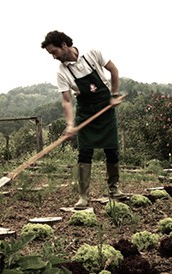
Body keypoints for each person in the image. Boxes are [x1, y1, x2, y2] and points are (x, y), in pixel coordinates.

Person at [41, 30, 124, 209]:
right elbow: (67, 100)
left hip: (105, 107)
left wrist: (114, 94)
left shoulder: (92, 54)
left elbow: (113, 70)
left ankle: (114, 189)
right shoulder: (62, 72)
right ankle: (83, 196)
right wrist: (70, 124)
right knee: (85, 152)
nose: (53, 57)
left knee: (112, 150)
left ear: (64, 45)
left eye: (54, 52)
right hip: (85, 111)